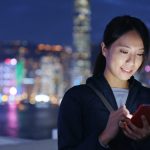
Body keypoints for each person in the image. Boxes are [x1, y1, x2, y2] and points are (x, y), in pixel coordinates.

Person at [57, 15, 150, 150]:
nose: (132, 62)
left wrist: (145, 140)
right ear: (104, 49)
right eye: (124, 51)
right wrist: (104, 137)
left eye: (140, 54)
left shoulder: (147, 97)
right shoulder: (77, 98)